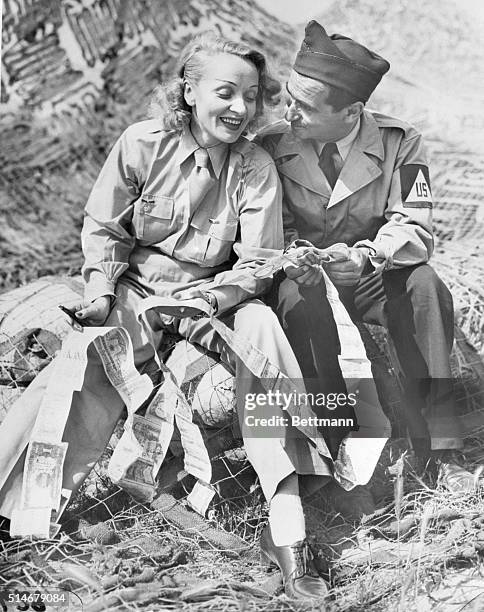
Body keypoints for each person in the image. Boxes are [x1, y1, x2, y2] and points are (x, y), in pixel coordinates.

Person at [0, 32, 331, 600]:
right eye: (225, 92)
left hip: (215, 295)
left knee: (264, 337)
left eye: (251, 97)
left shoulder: (254, 168)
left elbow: (258, 261)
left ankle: (291, 538)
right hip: (135, 291)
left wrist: (212, 300)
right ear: (189, 92)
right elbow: (104, 232)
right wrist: (103, 294)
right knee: (84, 370)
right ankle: (15, 515)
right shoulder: (141, 144)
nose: (239, 108)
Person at [259, 20, 474, 491]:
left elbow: (415, 226)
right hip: (310, 276)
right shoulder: (271, 146)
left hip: (374, 273)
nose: (287, 112)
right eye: (289, 97)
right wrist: (298, 255)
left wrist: (366, 256)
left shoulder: (401, 141)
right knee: (295, 303)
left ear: (352, 111)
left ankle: (442, 450)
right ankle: (339, 450)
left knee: (424, 286)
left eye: (304, 106)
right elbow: (268, 223)